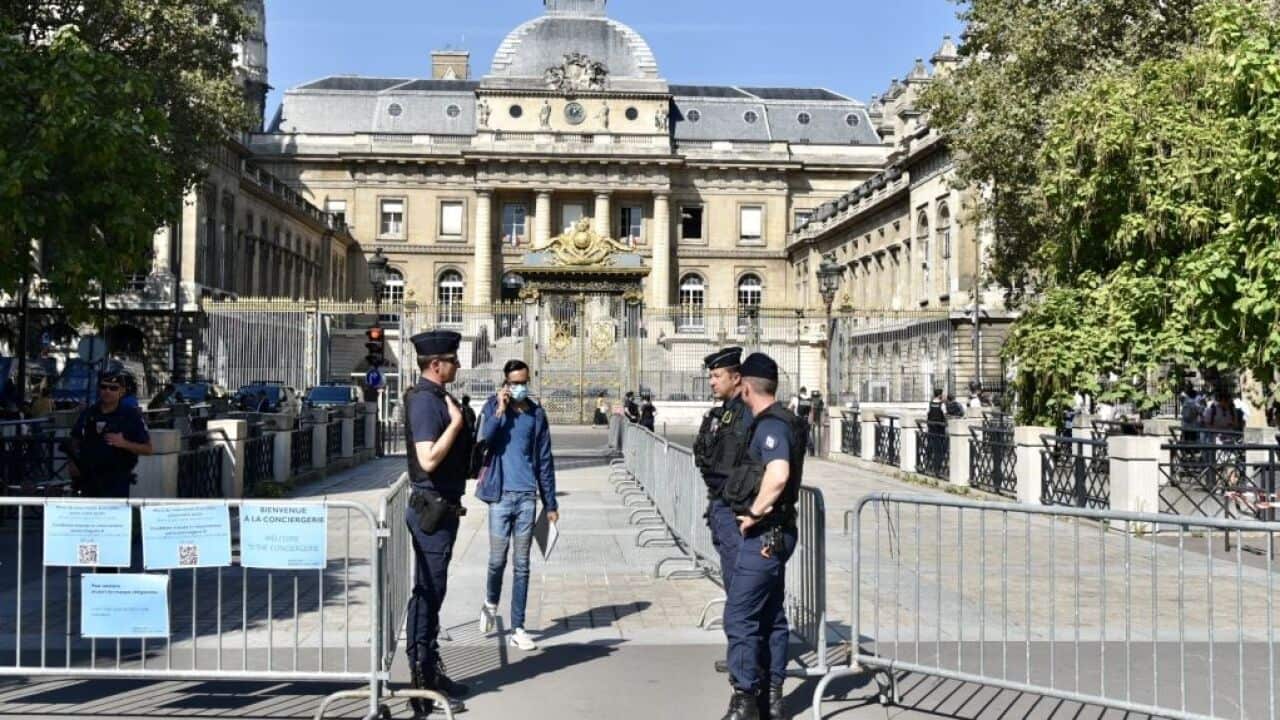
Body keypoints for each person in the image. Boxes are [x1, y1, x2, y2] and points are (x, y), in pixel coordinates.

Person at [718, 353, 807, 720]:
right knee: (771, 614)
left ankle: (745, 700)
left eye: (740, 383)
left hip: (766, 534)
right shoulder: (781, 420)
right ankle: (772, 695)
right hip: (780, 531)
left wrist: (754, 512)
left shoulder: (771, 426)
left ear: (747, 386)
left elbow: (779, 474)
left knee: (740, 615)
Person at [402, 330, 472, 716]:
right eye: (453, 360)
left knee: (435, 589)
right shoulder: (426, 402)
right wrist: (456, 425)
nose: (457, 365)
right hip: (432, 507)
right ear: (435, 364)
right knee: (428, 592)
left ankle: (429, 668)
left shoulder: (435, 396)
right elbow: (428, 460)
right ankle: (421, 683)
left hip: (442, 505)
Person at [476, 360, 559, 651]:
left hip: (526, 497)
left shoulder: (536, 415)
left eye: (523, 382)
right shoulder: (491, 407)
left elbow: (545, 460)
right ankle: (490, 601)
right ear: (505, 383)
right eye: (514, 383)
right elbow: (484, 439)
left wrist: (550, 501)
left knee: (522, 564)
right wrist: (499, 411)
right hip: (499, 496)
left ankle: (518, 627)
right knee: (497, 560)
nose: (519, 387)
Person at [691, 347, 753, 671]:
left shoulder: (743, 414)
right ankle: (740, 656)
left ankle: (745, 662)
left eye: (717, 376)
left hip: (732, 509)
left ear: (736, 376)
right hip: (720, 507)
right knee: (733, 585)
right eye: (711, 376)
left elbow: (730, 466)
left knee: (740, 588)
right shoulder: (723, 413)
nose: (712, 382)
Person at [68, 369, 153, 498]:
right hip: (88, 479)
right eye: (103, 387)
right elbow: (75, 440)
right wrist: (72, 463)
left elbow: (147, 449)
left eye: (113, 388)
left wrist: (124, 443)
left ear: (122, 391)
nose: (107, 391)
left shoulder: (130, 415)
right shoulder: (89, 413)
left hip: (117, 481)